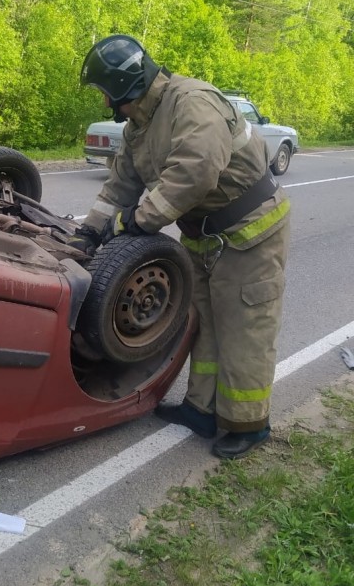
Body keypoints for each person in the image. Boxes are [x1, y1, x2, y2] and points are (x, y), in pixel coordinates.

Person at [72, 34, 290, 460]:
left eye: (105, 95)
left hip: (250, 232)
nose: (105, 106)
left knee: (244, 330)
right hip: (204, 237)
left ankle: (248, 423)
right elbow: (120, 185)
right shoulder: (139, 124)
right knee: (202, 325)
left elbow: (196, 172)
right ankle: (202, 410)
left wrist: (138, 220)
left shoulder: (192, 103)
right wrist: (90, 231)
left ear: (125, 88)